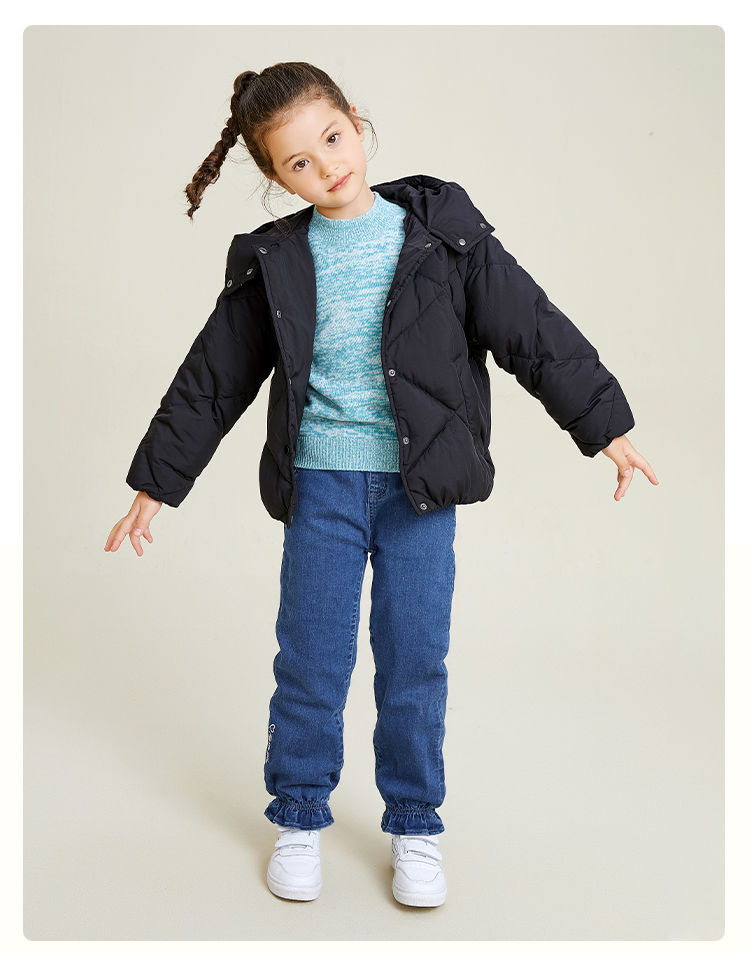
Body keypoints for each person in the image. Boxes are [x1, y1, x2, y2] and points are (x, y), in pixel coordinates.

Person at [104, 61, 658, 908]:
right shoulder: (276, 260)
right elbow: (210, 382)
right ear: (276, 178)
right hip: (322, 488)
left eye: (332, 139)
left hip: (421, 491)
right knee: (311, 662)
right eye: (299, 162)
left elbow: (533, 331)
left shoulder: (446, 234)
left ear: (355, 121)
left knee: (414, 663)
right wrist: (157, 482)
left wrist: (604, 424)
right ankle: (298, 815)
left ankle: (415, 824)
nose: (327, 166)